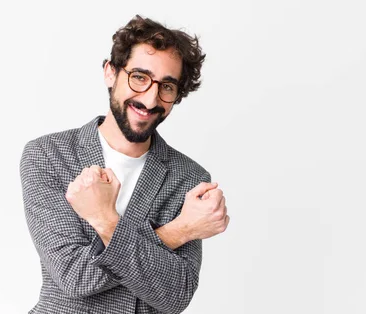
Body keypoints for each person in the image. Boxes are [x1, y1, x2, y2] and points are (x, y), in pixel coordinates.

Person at [19, 15, 230, 314]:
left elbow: (175, 297)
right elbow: (75, 276)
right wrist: (179, 230)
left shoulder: (190, 178)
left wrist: (107, 225)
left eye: (167, 86)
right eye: (140, 77)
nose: (151, 98)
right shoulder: (49, 156)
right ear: (110, 73)